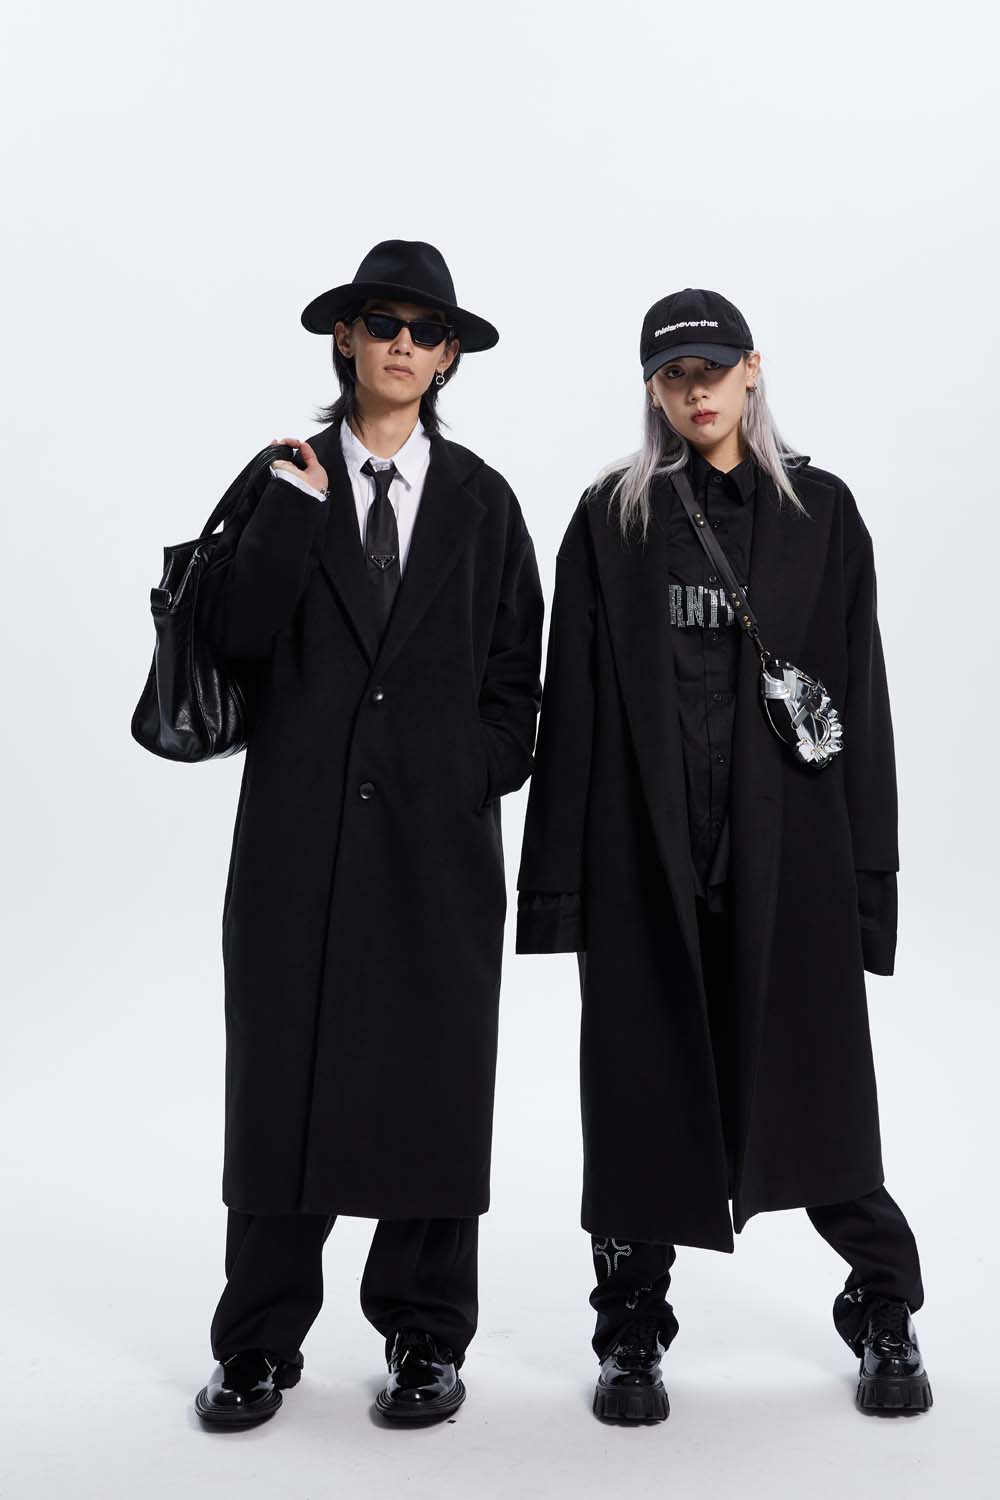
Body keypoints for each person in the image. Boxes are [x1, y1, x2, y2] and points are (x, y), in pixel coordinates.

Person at [515, 287, 931, 1422]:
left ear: (753, 370)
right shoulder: (610, 519)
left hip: (788, 863)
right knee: (640, 1102)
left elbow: (859, 703)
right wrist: (558, 892)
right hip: (643, 863)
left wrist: (868, 886)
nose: (695, 391)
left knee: (819, 1096)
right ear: (652, 389)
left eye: (712, 368)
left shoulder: (822, 514)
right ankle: (630, 1331)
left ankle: (884, 1306)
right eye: (673, 374)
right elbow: (572, 710)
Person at [192, 240, 544, 1428]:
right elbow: (235, 642)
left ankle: (426, 1337)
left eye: (424, 329)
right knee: (279, 1078)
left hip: (438, 849)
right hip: (297, 842)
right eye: (381, 321)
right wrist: (292, 512)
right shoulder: (284, 479)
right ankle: (257, 1342)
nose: (401, 343)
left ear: (448, 358)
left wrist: (474, 771)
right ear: (343, 337)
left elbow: (517, 675)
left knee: (434, 1081)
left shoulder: (485, 501)